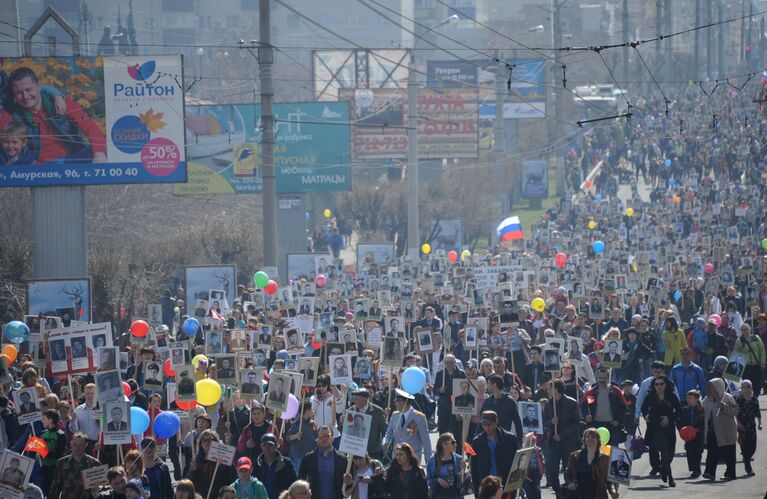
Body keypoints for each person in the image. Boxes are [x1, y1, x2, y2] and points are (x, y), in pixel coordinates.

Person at [5, 66, 106, 163]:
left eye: (28, 90)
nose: (25, 96)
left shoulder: (60, 102)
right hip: (44, 166)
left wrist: (99, 154)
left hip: (75, 157)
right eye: (19, 92)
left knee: (103, 150)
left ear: (39, 87)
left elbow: (89, 126)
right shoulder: (15, 116)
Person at [641, 374, 681, 486]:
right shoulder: (650, 396)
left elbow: (679, 411)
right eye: (656, 384)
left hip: (668, 429)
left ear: (666, 385)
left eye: (661, 384)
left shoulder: (671, 396)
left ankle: (664, 470)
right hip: (654, 428)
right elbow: (644, 408)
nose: (659, 386)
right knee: (664, 452)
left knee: (669, 456)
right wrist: (646, 416)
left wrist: (669, 417)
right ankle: (671, 479)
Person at [541, 379, 580, 496]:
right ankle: (559, 494)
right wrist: (550, 422)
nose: (547, 390)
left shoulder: (572, 403)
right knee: (552, 472)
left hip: (568, 443)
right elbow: (544, 422)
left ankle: (570, 494)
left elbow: (576, 423)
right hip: (553, 444)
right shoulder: (548, 404)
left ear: (556, 389)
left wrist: (562, 436)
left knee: (570, 471)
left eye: (549, 388)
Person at [563, 428, 618, 499]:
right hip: (579, 495)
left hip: (598, 495)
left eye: (593, 437)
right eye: (587, 436)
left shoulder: (605, 458)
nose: (590, 438)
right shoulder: (575, 456)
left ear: (598, 440)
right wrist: (570, 483)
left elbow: (610, 480)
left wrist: (613, 491)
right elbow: (568, 473)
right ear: (584, 440)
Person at [470, 410, 518, 491]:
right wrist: (477, 493)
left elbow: (516, 463)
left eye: (489, 424)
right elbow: (474, 469)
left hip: (505, 485)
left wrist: (518, 485)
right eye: (484, 424)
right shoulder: (477, 442)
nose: (487, 427)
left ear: (496, 422)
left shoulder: (510, 439)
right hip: (486, 486)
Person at [702, 378, 739, 481]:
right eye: (709, 387)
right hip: (712, 431)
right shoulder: (707, 399)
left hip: (726, 431)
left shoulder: (727, 398)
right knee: (712, 453)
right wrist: (699, 409)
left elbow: (735, 411)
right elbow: (703, 409)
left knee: (729, 453)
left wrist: (724, 407)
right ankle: (710, 472)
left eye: (713, 387)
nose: (711, 389)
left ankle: (730, 474)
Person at [47, 432, 102, 499]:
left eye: (80, 445)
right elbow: (55, 488)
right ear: (70, 444)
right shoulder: (61, 463)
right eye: (74, 444)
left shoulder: (94, 463)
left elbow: (101, 488)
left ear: (86, 445)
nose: (77, 448)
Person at [382, 390, 431, 463]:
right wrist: (385, 441)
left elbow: (425, 440)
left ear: (402, 402)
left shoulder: (419, 417)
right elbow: (389, 432)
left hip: (412, 457)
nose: (395, 403)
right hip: (397, 457)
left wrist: (429, 460)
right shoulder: (395, 415)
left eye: (396, 401)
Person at [297, 425, 346, 499]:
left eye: (327, 435)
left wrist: (349, 482)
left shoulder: (342, 459)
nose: (324, 438)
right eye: (321, 436)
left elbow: (348, 487)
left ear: (333, 438)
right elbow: (300, 483)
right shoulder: (307, 459)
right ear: (317, 438)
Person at [581, 368, 626, 445]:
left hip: (612, 426)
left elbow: (623, 407)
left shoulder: (615, 391)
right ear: (597, 378)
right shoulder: (592, 392)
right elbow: (584, 406)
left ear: (608, 378)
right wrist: (586, 416)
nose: (602, 380)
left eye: (604, 378)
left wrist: (618, 420)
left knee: (611, 452)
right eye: (600, 378)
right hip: (595, 425)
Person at [186, 429, 237, 497]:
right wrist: (192, 470)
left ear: (216, 442)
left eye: (210, 439)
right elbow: (186, 483)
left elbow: (233, 480)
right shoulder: (195, 460)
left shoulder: (225, 459)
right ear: (201, 444)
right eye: (204, 440)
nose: (207, 442)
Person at [252, 434, 297, 499]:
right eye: (265, 445)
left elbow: (294, 484)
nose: (267, 448)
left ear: (276, 446)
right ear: (261, 447)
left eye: (270, 445)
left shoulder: (286, 463)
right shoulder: (256, 465)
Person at [480, 375, 523, 441]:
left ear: (494, 385)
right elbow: (481, 420)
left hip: (504, 440)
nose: (487, 385)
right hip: (488, 440)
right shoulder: (488, 401)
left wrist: (519, 441)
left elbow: (517, 423)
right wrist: (477, 436)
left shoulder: (510, 402)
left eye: (488, 383)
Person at [735, 379, 761, 477]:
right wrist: (738, 424)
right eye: (744, 387)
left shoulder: (754, 399)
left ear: (751, 389)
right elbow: (735, 414)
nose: (746, 389)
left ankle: (747, 458)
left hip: (752, 426)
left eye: (748, 387)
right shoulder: (738, 399)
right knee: (744, 446)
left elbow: (757, 412)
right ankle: (748, 466)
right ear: (741, 389)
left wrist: (760, 423)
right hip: (742, 426)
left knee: (753, 447)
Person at [426, 433, 463, 499]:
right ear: (444, 444)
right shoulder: (432, 461)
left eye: (455, 442)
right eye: (453, 442)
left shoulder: (459, 459)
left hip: (455, 495)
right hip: (439, 496)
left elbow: (463, 482)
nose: (455, 444)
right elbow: (428, 480)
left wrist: (463, 470)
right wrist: (438, 480)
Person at [39, 409, 68, 492]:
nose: (42, 420)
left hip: (55, 469)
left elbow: (60, 454)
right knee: (43, 490)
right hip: (43, 468)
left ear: (50, 420)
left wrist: (44, 452)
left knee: (54, 492)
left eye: (44, 418)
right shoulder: (42, 433)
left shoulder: (60, 434)